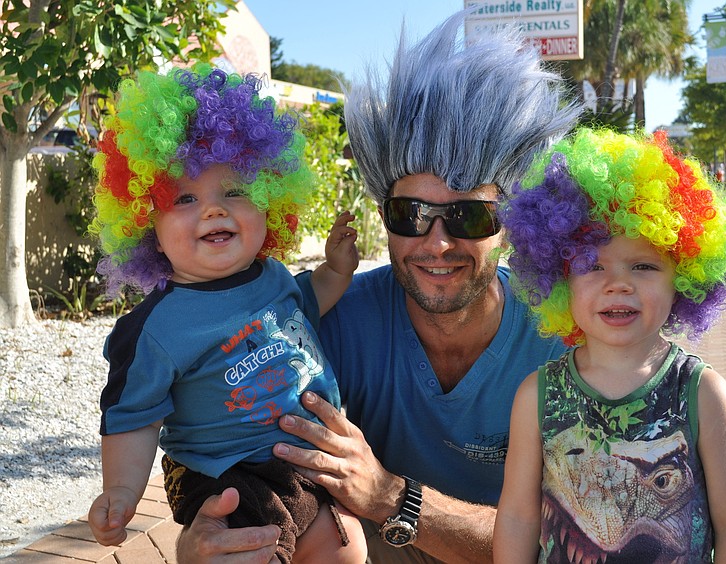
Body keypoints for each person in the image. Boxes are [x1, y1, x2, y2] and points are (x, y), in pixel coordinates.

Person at [175, 10, 581, 564]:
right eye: (411, 214)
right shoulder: (325, 324)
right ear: (383, 216)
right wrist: (201, 537)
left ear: (512, 221)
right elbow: (203, 438)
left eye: (469, 216)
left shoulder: (564, 344)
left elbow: (574, 541)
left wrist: (392, 498)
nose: (437, 243)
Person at [85, 65, 366, 563]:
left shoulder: (273, 276)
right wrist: (123, 492)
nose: (213, 210)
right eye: (185, 199)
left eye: (234, 191)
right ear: (147, 227)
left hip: (307, 461)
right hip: (230, 473)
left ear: (269, 203)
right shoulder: (157, 328)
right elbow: (133, 417)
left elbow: (309, 301)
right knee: (253, 549)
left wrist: (337, 270)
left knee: (347, 547)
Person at [493, 128, 726, 563]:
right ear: (559, 279)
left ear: (684, 278)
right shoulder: (537, 396)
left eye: (643, 266)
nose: (618, 284)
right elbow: (517, 518)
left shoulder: (704, 395)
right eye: (591, 265)